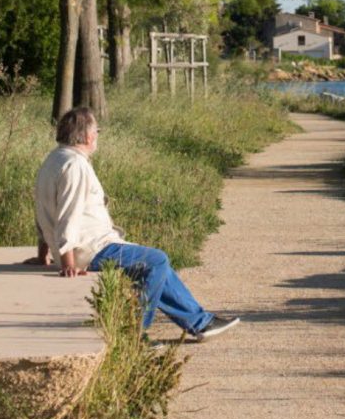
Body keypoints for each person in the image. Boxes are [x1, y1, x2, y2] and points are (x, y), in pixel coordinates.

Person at [30, 106, 240, 342]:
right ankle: (134, 334)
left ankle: (200, 323)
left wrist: (44, 253)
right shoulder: (76, 166)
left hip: (89, 246)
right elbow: (68, 214)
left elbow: (43, 208)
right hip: (90, 250)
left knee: (155, 264)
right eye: (97, 131)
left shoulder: (54, 158)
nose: (97, 136)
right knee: (157, 260)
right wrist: (67, 262)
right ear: (89, 137)